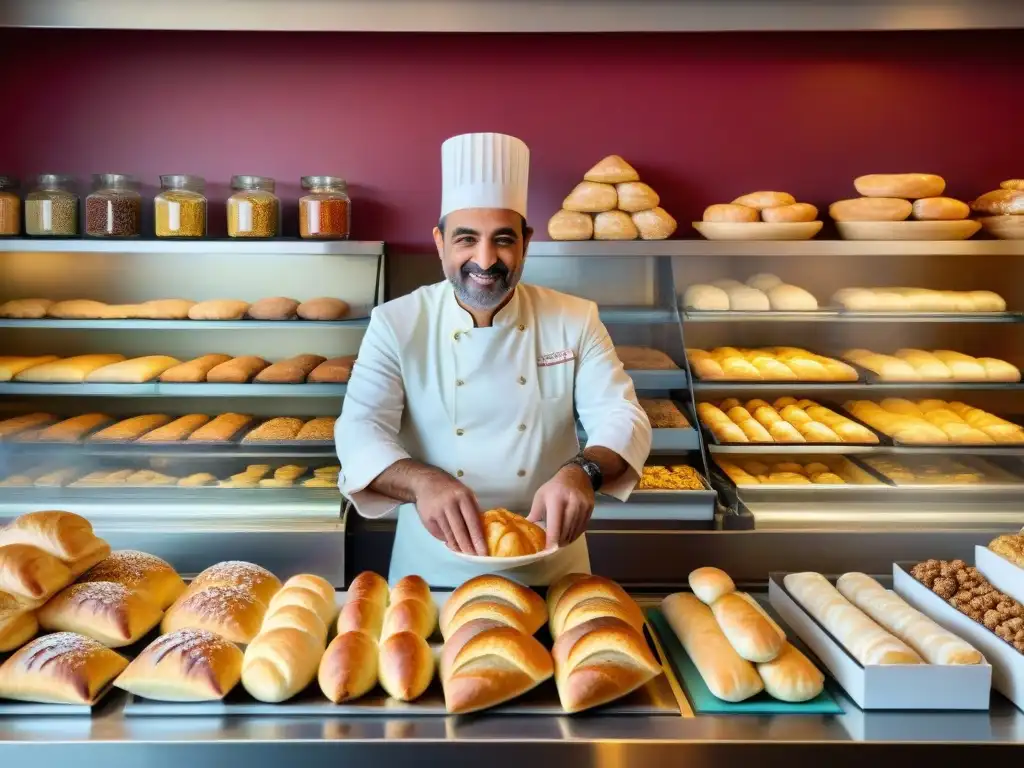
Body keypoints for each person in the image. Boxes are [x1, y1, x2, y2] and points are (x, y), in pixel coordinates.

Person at [336, 132, 651, 586]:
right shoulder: (397, 322)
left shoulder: (575, 318)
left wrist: (583, 472)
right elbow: (359, 428)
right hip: (434, 568)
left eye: (503, 240)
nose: (485, 260)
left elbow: (623, 415)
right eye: (467, 239)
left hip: (550, 561)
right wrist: (423, 482)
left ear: (526, 242)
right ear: (440, 242)